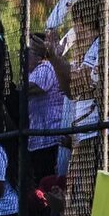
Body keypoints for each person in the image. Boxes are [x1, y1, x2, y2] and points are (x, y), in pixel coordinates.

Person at [28, 33, 64, 184]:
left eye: (28, 52)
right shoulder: (35, 71)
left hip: (49, 139)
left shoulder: (46, 66)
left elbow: (35, 88)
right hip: (39, 139)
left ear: (38, 55)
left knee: (48, 182)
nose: (24, 56)